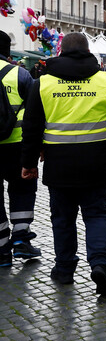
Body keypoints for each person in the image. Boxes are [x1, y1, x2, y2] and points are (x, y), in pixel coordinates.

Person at [21, 32, 106, 295]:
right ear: (88, 51)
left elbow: (32, 127)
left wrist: (29, 162)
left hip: (59, 165)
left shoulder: (43, 84)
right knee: (98, 215)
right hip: (96, 163)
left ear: (61, 52)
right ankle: (100, 264)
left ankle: (65, 269)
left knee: (63, 219)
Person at [0, 30, 41, 266]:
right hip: (17, 144)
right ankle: (21, 239)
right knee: (23, 189)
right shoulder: (21, 74)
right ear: (7, 51)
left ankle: (2, 250)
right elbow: (35, 114)